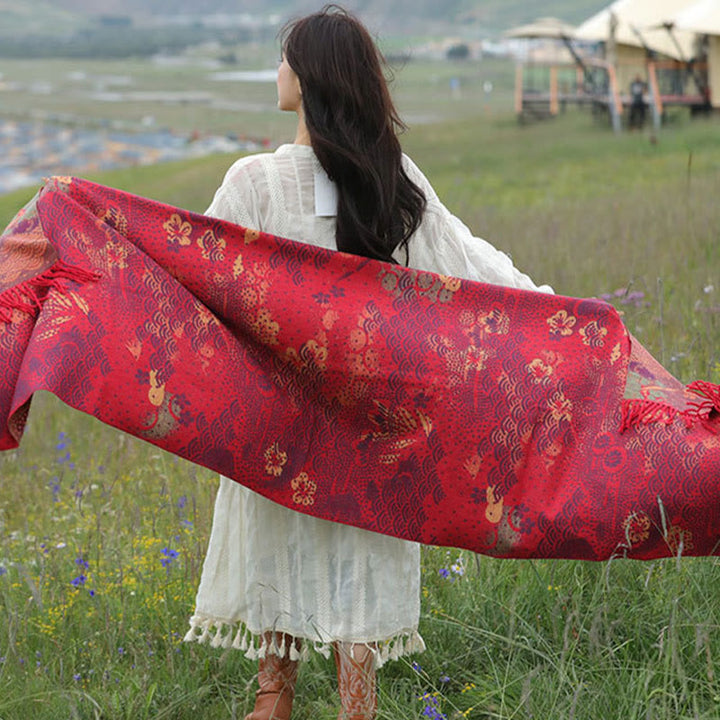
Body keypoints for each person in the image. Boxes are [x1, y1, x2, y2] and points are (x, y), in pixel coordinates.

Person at [184, 6, 551, 719]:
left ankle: (274, 698)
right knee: (360, 557)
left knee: (279, 543)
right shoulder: (390, 179)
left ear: (311, 75)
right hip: (372, 425)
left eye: (287, 57)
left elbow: (195, 279)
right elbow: (472, 267)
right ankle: (353, 705)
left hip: (280, 424)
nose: (279, 70)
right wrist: (556, 311)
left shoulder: (254, 182)